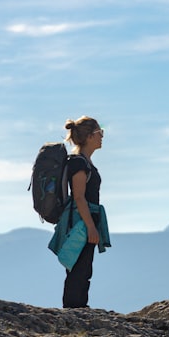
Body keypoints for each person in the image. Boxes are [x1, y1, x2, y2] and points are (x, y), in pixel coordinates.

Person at [55, 116, 111, 308]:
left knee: (84, 267)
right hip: (81, 222)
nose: (102, 136)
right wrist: (90, 228)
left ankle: (78, 307)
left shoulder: (84, 162)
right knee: (79, 267)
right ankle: (73, 309)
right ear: (88, 136)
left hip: (85, 220)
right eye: (99, 132)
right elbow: (79, 197)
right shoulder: (79, 163)